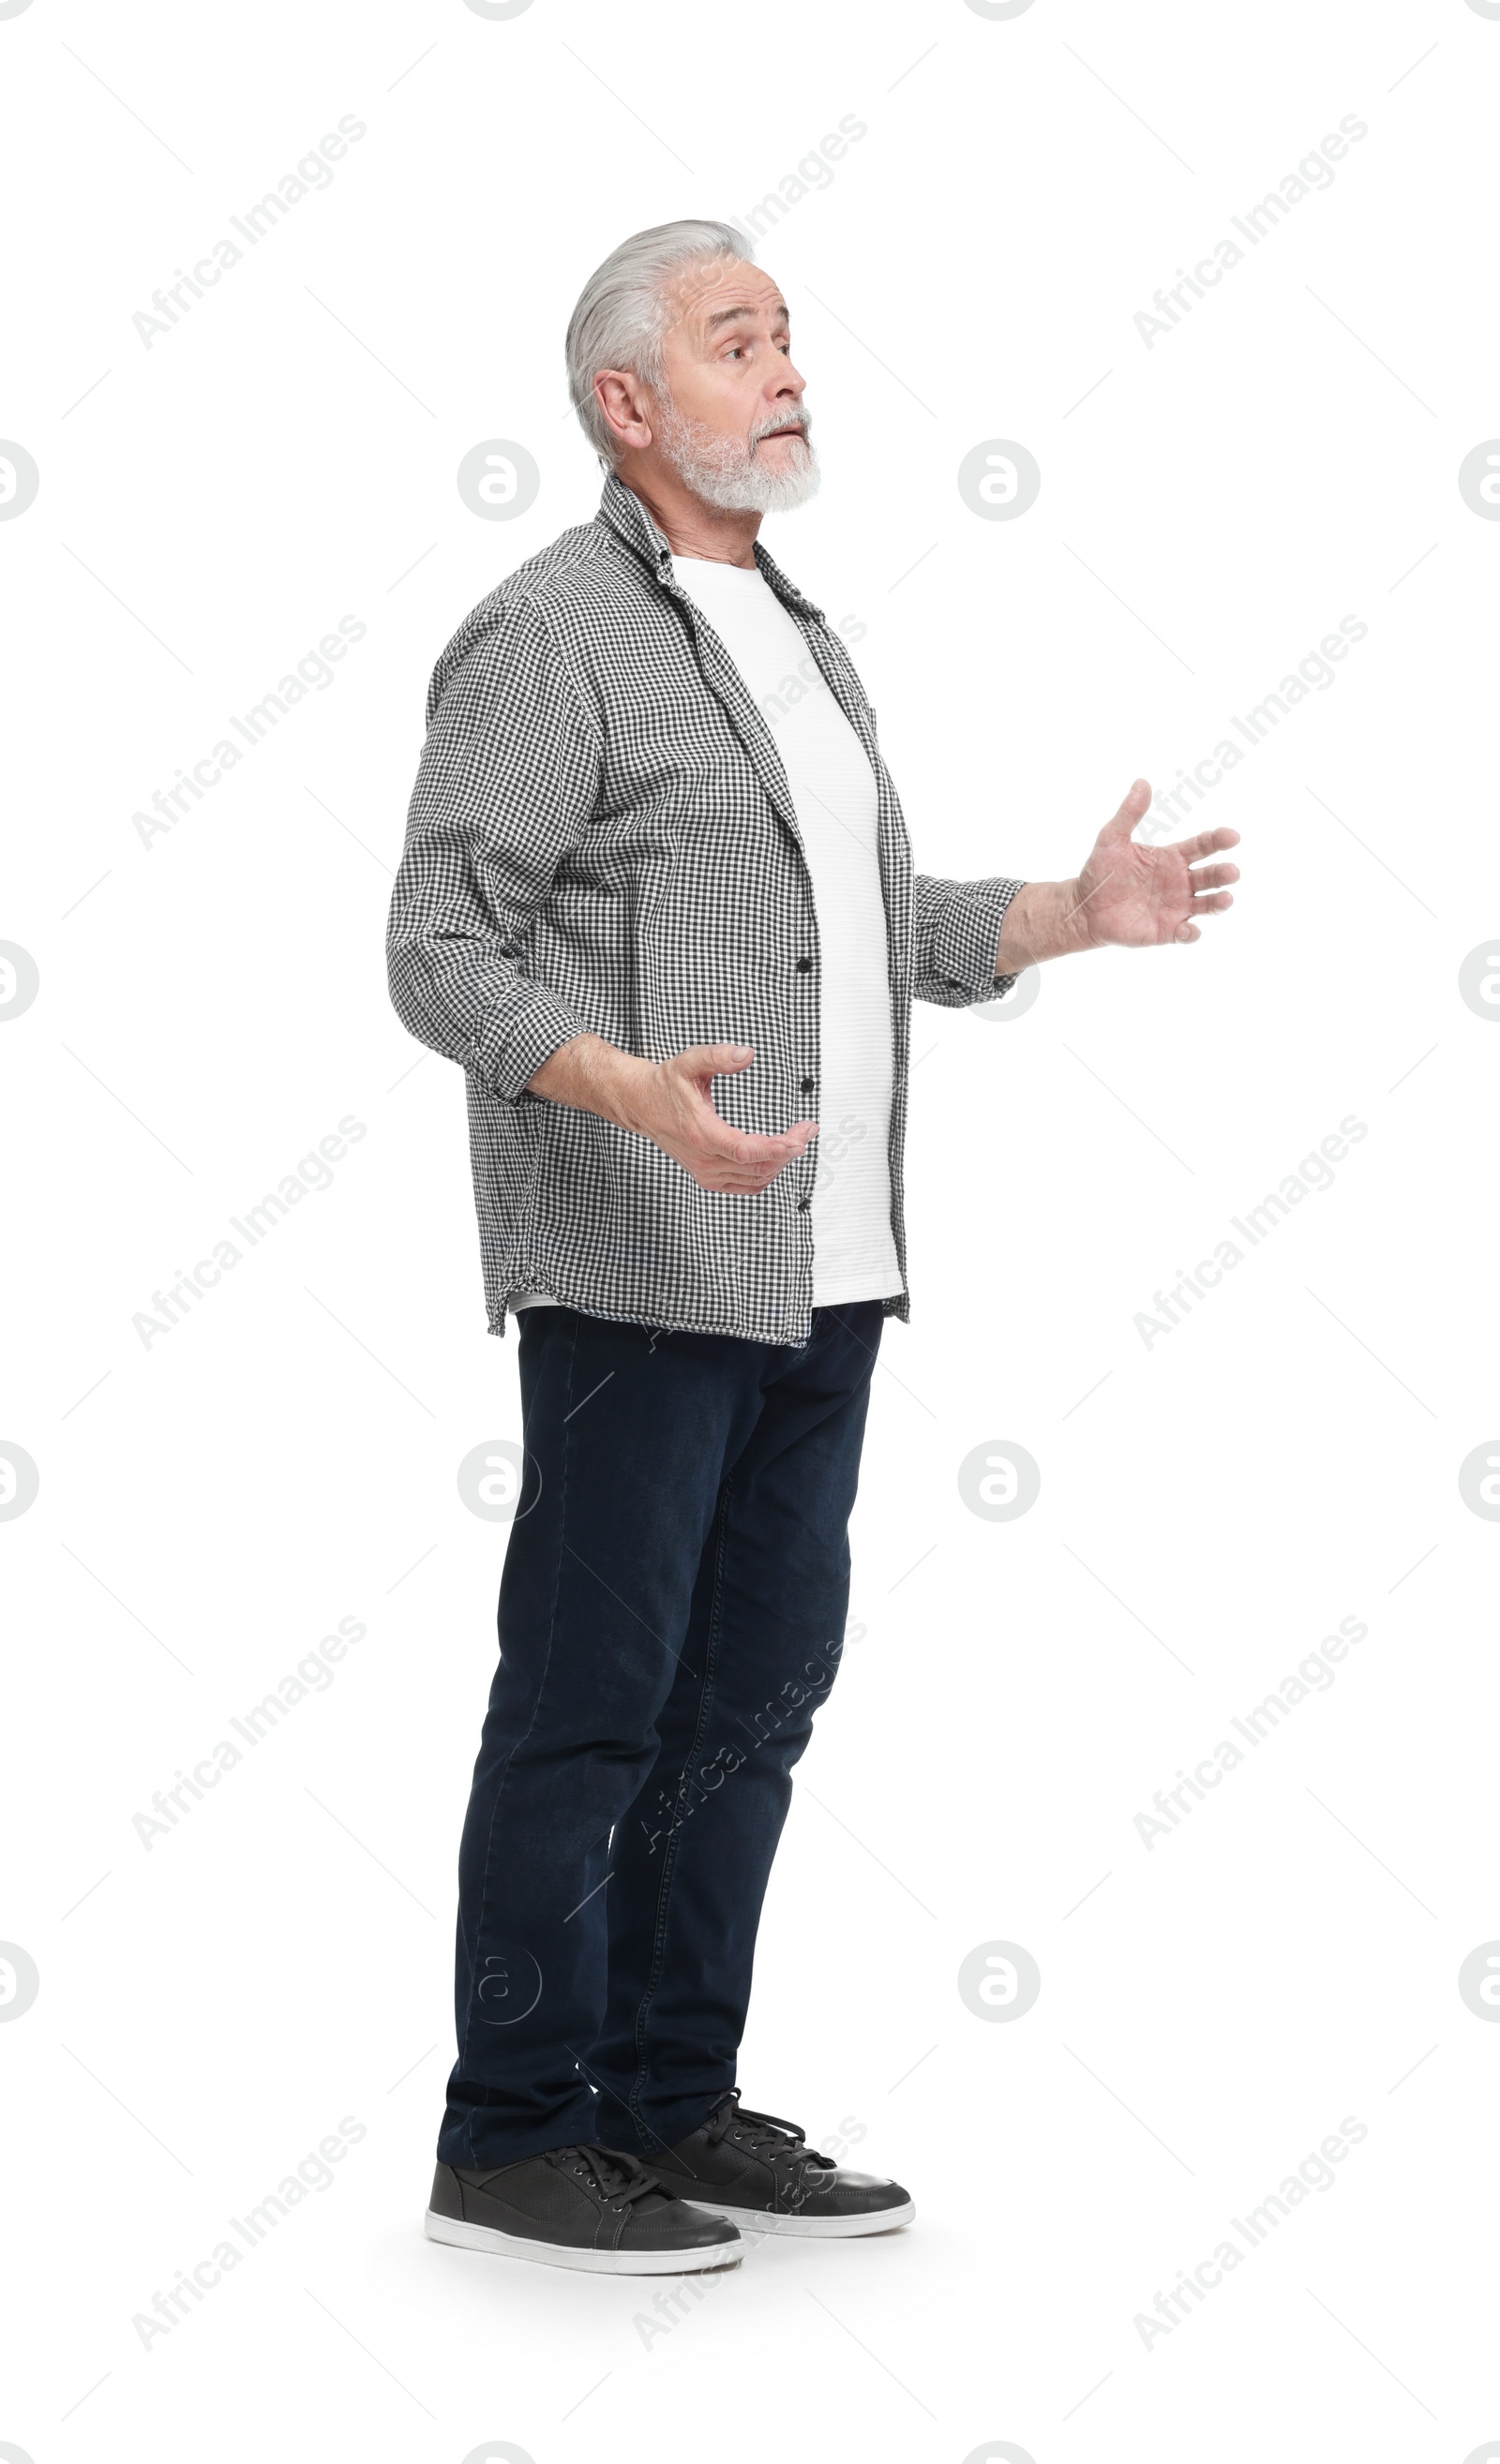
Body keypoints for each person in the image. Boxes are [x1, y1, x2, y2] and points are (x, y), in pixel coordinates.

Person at [386, 218, 1239, 2276]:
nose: (783, 367)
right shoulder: (552, 632)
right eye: (730, 339)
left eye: (784, 334)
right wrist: (611, 1083)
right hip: (639, 1279)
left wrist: (1060, 910)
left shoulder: (795, 628)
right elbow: (437, 942)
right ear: (621, 404)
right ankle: (511, 2131)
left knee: (749, 1700)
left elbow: (850, 927)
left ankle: (667, 2101)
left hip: (823, 1273)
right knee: (591, 1704)